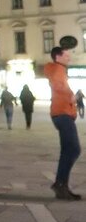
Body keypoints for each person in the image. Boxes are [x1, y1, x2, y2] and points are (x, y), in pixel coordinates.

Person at [45, 45, 81, 200]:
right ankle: (60, 183)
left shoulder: (57, 69)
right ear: (58, 57)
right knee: (73, 149)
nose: (69, 58)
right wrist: (72, 97)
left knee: (68, 150)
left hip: (61, 113)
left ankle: (61, 185)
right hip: (63, 114)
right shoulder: (58, 70)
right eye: (66, 55)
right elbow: (58, 86)